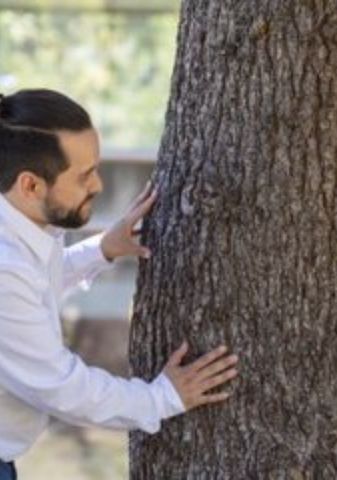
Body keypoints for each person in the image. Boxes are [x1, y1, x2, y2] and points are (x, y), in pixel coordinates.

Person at [0, 89, 239, 480]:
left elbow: (32, 291)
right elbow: (63, 389)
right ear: (30, 186)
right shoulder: (5, 269)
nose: (98, 185)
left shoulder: (15, 228)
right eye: (83, 176)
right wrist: (162, 398)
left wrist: (102, 250)